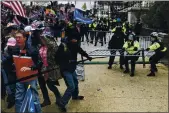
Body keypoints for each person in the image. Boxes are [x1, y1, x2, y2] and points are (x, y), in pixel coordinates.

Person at [55, 30, 92, 112]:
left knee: (75, 82)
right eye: (75, 39)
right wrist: (66, 62)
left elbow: (81, 51)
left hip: (72, 68)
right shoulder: (63, 46)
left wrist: (87, 57)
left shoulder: (75, 45)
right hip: (66, 69)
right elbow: (57, 58)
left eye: (77, 40)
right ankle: (62, 103)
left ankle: (75, 96)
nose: (76, 41)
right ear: (71, 39)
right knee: (71, 86)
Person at [13, 30, 42, 112]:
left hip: (31, 79)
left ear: (25, 38)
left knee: (34, 99)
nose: (17, 39)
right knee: (18, 99)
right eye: (16, 37)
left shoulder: (32, 50)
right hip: (19, 79)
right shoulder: (14, 49)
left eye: (19, 37)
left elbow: (40, 64)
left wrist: (30, 68)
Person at [39, 34, 62, 107]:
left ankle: (58, 97)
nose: (41, 40)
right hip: (41, 68)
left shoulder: (53, 46)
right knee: (42, 85)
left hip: (50, 69)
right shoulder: (40, 46)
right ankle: (46, 100)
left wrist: (45, 38)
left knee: (50, 85)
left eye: (43, 39)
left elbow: (54, 52)